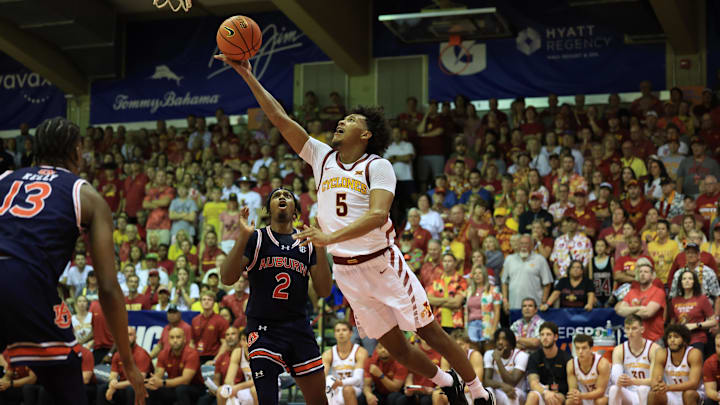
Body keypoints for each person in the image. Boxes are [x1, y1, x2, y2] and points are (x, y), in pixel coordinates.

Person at [217, 55, 492, 404]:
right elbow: (279, 119)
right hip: (349, 275)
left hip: (382, 263)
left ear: (365, 134)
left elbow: (378, 215)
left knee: (429, 332)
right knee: (397, 350)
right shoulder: (322, 158)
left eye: (350, 120)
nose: (341, 121)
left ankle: (479, 392)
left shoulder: (378, 167)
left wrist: (328, 237)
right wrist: (247, 76)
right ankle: (447, 381)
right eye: (342, 118)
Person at [0, 117, 146, 404]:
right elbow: (106, 286)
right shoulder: (86, 194)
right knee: (68, 383)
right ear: (77, 152)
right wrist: (127, 362)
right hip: (23, 282)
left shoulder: (3, 178)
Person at [220, 187, 333, 405]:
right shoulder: (256, 238)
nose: (282, 197)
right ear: (268, 210)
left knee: (318, 401)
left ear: (296, 213)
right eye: (276, 196)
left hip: (298, 327)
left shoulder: (306, 243)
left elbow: (324, 291)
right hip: (264, 329)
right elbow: (226, 277)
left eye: (287, 195)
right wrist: (242, 238)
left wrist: (320, 247)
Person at [145, 327, 204, 405]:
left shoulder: (192, 354)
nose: (175, 340)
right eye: (172, 337)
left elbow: (186, 380)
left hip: (194, 388)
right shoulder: (163, 353)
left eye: (178, 337)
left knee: (181, 389)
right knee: (151, 389)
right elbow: (159, 375)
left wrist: (163, 383)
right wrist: (153, 381)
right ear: (168, 340)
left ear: (184, 339)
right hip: (172, 386)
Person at [608, 314, 659, 405]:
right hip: (630, 392)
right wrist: (619, 380)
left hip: (648, 391)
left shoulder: (654, 349)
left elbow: (654, 380)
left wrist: (633, 381)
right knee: (613, 389)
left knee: (642, 389)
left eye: (634, 328)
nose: (630, 332)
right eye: (627, 328)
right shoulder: (619, 350)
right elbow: (616, 378)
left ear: (642, 329)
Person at [647, 324, 703, 405]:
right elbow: (655, 380)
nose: (672, 340)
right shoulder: (662, 353)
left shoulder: (694, 353)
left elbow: (694, 384)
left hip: (693, 393)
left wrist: (669, 387)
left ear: (684, 340)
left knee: (689, 394)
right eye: (669, 337)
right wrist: (657, 384)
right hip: (671, 393)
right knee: (653, 393)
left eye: (676, 337)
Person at [614, 259, 665, 342]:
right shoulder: (632, 292)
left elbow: (648, 313)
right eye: (640, 272)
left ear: (652, 276)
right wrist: (638, 308)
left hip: (654, 339)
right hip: (634, 340)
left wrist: (628, 311)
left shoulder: (658, 292)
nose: (642, 274)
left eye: (646, 272)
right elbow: (620, 310)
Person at [98, 327, 152, 405]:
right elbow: (113, 374)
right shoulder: (117, 354)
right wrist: (112, 382)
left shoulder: (142, 354)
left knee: (131, 390)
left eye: (130, 335)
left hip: (142, 386)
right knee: (102, 388)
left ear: (135, 337)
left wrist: (116, 386)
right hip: (123, 384)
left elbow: (139, 380)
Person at [668, 269, 717, 353]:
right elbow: (672, 321)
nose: (687, 281)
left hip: (697, 338)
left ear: (694, 282)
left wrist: (696, 325)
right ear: (680, 282)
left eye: (690, 278)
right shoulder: (674, 300)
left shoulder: (702, 298)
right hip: (679, 339)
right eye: (684, 279)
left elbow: (713, 321)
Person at [322, 321, 369, 405]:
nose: (341, 333)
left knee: (347, 390)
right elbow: (322, 378)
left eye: (344, 330)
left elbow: (358, 379)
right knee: (327, 382)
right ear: (334, 334)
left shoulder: (360, 352)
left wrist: (340, 383)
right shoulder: (328, 354)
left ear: (351, 333)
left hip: (355, 387)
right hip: (335, 387)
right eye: (338, 330)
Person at [525, 322, 572, 405]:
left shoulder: (566, 358)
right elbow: (533, 383)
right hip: (542, 392)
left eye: (548, 334)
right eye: (542, 335)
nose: (545, 338)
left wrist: (551, 389)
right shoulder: (534, 357)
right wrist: (545, 392)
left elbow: (569, 385)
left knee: (554, 398)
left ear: (556, 337)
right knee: (532, 395)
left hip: (560, 394)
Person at [482, 329, 528, 405]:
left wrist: (498, 360)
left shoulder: (521, 356)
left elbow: (512, 382)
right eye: (498, 339)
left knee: (512, 395)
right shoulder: (489, 354)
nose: (500, 342)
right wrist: (502, 385)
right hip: (499, 390)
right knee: (487, 391)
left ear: (511, 342)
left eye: (504, 339)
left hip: (518, 393)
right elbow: (486, 381)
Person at [566, 334, 610, 405]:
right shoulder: (571, 364)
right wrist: (575, 396)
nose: (580, 351)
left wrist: (581, 395)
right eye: (577, 348)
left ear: (591, 349)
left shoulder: (602, 364)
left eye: (584, 348)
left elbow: (600, 391)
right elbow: (572, 389)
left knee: (600, 402)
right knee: (570, 401)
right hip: (584, 396)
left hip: (603, 396)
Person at [192, 291, 230, 364]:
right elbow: (191, 342)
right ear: (200, 303)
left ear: (214, 303)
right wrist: (193, 358)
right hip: (197, 356)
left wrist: (215, 360)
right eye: (204, 299)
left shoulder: (221, 321)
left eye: (209, 300)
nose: (206, 302)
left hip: (214, 356)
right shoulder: (195, 320)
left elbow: (225, 343)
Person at [702, 333, 720, 403]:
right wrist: (718, 397)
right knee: (708, 401)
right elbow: (709, 390)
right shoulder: (709, 363)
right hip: (718, 395)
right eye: (718, 346)